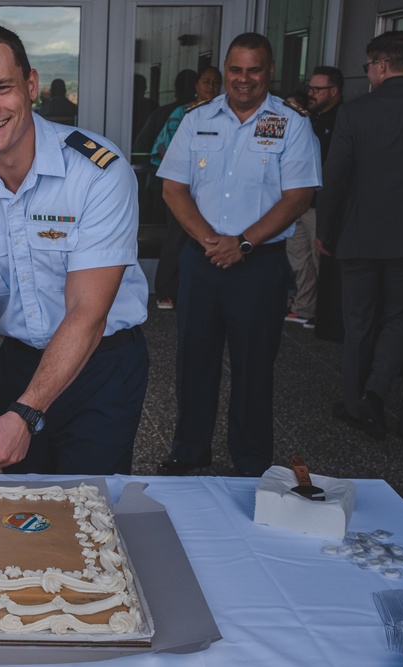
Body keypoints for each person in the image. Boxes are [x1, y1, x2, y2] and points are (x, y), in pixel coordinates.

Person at [0, 23, 149, 475]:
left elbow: (87, 313)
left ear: (30, 86)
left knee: (87, 514)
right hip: (18, 365)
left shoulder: (97, 173)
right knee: (18, 519)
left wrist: (28, 413)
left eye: (1, 87)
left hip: (100, 368)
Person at [156, 33, 320, 476]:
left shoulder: (292, 122)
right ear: (225, 70)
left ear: (269, 72)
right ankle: (189, 451)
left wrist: (243, 242)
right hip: (202, 261)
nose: (243, 79)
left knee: (253, 367)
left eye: (254, 70)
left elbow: (298, 196)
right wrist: (212, 240)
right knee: (194, 362)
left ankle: (250, 462)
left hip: (259, 265)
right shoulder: (197, 118)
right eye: (236, 69)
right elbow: (173, 187)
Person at [317, 31, 403, 440]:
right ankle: (376, 393)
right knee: (401, 319)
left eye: (368, 68)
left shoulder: (356, 112)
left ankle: (355, 402)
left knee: (358, 321)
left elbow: (335, 177)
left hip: (359, 236)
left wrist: (325, 230)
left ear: (379, 65)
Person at [150, 65, 222, 310]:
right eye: (206, 81)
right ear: (196, 86)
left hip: (212, 191)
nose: (211, 87)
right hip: (182, 190)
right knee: (178, 238)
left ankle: (196, 290)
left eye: (215, 82)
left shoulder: (227, 115)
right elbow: (160, 147)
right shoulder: (184, 114)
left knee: (211, 236)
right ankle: (166, 289)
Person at [285, 66, 343, 329]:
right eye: (310, 88)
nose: (311, 93)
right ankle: (304, 307)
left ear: (334, 91)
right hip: (297, 203)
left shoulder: (343, 120)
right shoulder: (308, 118)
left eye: (317, 89)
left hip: (321, 205)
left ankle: (325, 314)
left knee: (321, 260)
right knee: (299, 260)